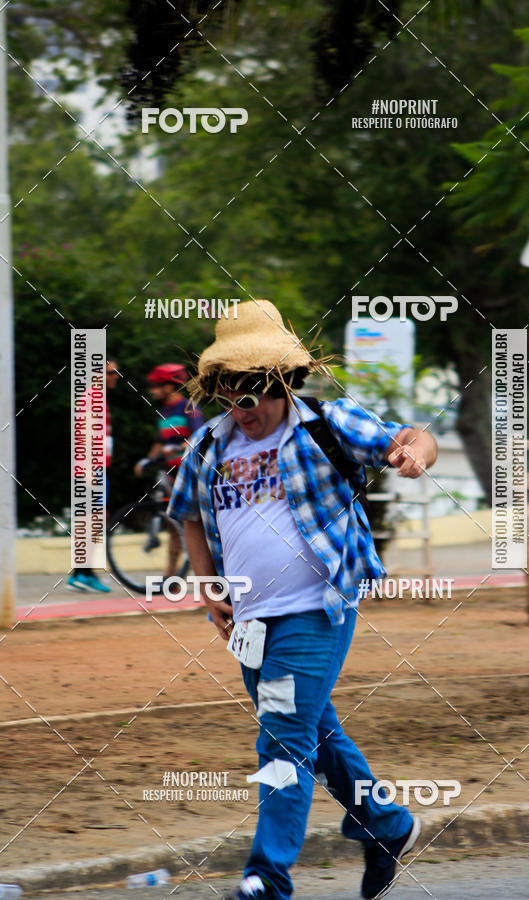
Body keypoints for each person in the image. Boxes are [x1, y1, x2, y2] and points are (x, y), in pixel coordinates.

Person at [167, 300, 438, 900]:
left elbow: (414, 436)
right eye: (235, 394)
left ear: (285, 383)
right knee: (313, 732)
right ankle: (389, 824)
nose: (250, 408)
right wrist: (209, 585)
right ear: (219, 393)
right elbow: (187, 515)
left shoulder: (325, 423)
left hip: (317, 607)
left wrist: (413, 455)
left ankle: (268, 877)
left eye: (261, 392)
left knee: (282, 738)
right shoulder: (211, 445)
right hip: (249, 621)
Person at [134, 363, 204, 577]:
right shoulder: (164, 412)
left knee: (194, 521)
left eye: (156, 386)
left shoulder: (188, 407)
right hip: (169, 472)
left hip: (188, 472)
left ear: (169, 386)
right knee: (174, 524)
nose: (152, 390)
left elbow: (198, 436)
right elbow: (159, 442)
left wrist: (179, 447)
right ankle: (172, 575)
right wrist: (146, 460)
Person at [67, 358, 119, 593]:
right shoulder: (94, 397)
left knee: (93, 519)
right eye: (110, 373)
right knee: (94, 519)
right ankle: (83, 573)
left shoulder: (95, 397)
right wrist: (90, 469)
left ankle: (81, 573)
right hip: (92, 468)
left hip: (94, 467)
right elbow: (86, 432)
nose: (115, 377)